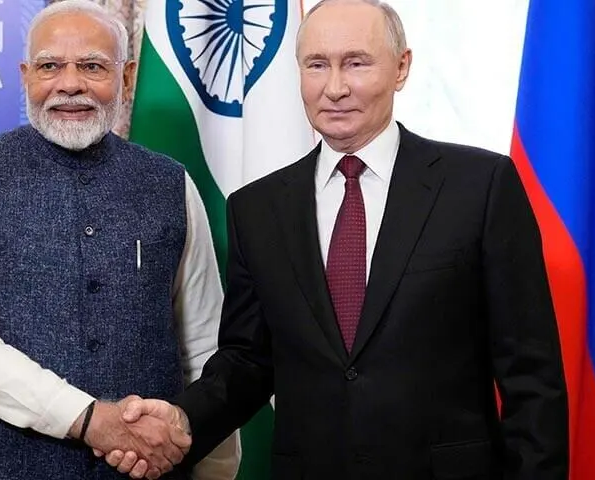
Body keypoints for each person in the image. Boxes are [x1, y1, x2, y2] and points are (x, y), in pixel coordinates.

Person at [110, 0, 570, 478]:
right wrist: (185, 418)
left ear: (401, 68)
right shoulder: (256, 208)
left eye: (356, 62)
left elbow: (531, 377)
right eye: (316, 65)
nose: (335, 87)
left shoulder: (481, 185)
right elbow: (248, 360)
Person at [0, 0, 239, 479]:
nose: (70, 84)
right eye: (50, 66)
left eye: (92, 66)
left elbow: (204, 343)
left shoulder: (172, 183)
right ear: (26, 75)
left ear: (127, 79)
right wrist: (90, 420)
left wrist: (213, 467)